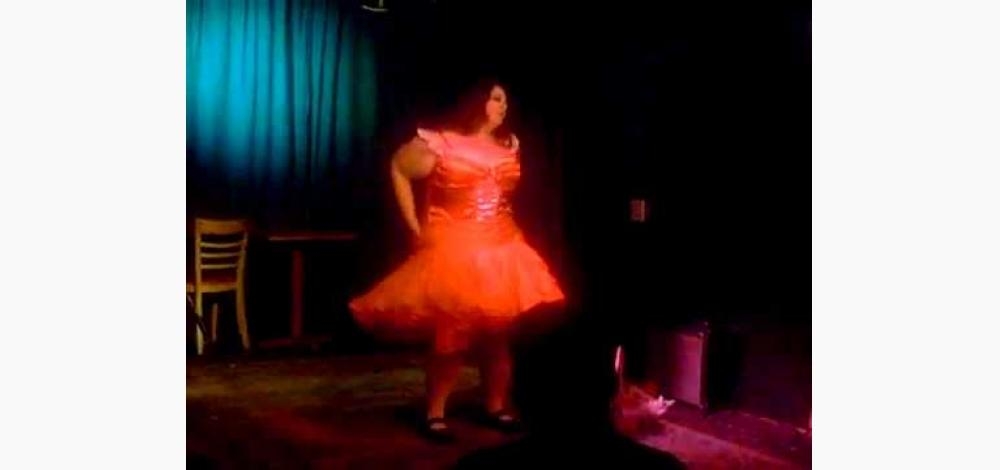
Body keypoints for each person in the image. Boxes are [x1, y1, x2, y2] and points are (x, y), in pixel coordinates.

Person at [349, 78, 565, 443]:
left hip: (502, 246)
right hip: (456, 246)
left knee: (498, 333)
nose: (503, 106)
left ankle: (495, 406)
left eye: (505, 100)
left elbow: (501, 196)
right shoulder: (443, 143)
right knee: (452, 332)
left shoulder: (509, 145)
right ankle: (435, 411)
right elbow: (398, 168)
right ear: (477, 101)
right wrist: (415, 226)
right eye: (496, 99)